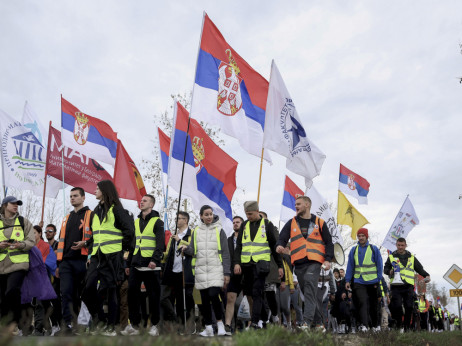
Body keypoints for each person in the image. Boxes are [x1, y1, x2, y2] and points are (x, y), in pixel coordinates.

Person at [81, 180, 134, 336]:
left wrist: (121, 249)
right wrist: (87, 244)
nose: (95, 190)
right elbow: (97, 235)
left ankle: (110, 327)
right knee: (87, 290)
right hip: (97, 256)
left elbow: (130, 232)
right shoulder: (95, 211)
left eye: (97, 188)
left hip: (113, 257)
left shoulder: (117, 210)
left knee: (111, 292)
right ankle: (101, 322)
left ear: (105, 191)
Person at [276, 196, 333, 329]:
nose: (296, 206)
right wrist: (279, 245)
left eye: (299, 204)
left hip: (315, 262)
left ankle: (306, 323)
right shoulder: (292, 222)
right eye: (296, 204)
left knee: (309, 283)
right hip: (299, 263)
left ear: (307, 205)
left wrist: (328, 259)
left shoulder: (320, 222)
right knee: (309, 293)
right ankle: (319, 324)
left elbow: (329, 243)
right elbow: (282, 238)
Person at [180, 205, 231, 337]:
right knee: (204, 298)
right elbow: (193, 249)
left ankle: (220, 325)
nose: (209, 217)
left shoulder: (220, 230)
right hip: (200, 269)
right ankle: (208, 328)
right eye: (206, 214)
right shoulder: (196, 231)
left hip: (216, 268)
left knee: (214, 295)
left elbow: (225, 253)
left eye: (211, 214)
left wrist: (226, 273)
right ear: (201, 216)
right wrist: (185, 249)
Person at [234, 201, 283, 329]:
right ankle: (264, 320)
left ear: (257, 211)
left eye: (250, 214)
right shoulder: (244, 225)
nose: (248, 216)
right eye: (246, 214)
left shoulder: (267, 225)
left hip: (261, 265)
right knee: (251, 294)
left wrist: (280, 266)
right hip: (246, 266)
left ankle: (255, 323)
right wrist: (237, 263)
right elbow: (239, 246)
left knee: (257, 292)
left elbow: (274, 247)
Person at [122, 194, 165, 336]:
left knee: (153, 295)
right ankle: (134, 325)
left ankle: (154, 325)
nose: (141, 202)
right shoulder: (136, 221)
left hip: (150, 263)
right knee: (132, 293)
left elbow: (160, 243)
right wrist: (128, 264)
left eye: (145, 201)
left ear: (151, 205)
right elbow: (132, 244)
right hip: (136, 262)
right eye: (141, 201)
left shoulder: (157, 222)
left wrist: (155, 259)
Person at [55, 187, 93, 334]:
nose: (72, 198)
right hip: (66, 262)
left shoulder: (91, 215)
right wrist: (59, 263)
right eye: (70, 196)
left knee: (82, 295)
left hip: (83, 260)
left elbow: (97, 236)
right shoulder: (66, 217)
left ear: (83, 198)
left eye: (75, 196)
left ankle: (83, 324)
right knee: (65, 292)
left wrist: (85, 243)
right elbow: (61, 242)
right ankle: (67, 324)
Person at [0, 196, 35, 335]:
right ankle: (7, 327)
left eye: (17, 204)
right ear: (4, 205)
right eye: (12, 204)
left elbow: (31, 241)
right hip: (1, 266)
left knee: (12, 291)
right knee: (2, 298)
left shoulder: (23, 221)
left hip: (19, 265)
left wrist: (21, 245)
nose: (16, 206)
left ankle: (15, 323)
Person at [384, 237, 430, 332]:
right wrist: (390, 271)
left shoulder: (411, 257)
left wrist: (426, 275)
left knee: (409, 306)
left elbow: (419, 268)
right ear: (396, 245)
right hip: (396, 286)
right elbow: (385, 269)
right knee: (397, 306)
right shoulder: (391, 257)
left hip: (408, 286)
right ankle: (399, 325)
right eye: (399, 245)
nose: (400, 247)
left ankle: (407, 328)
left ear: (405, 246)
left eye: (402, 245)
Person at [161, 211, 195, 334]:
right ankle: (174, 323)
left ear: (185, 220)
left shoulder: (192, 234)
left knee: (184, 300)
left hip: (185, 271)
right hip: (172, 271)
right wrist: (160, 256)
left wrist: (180, 240)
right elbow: (169, 253)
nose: (176, 220)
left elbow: (192, 250)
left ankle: (187, 326)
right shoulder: (173, 236)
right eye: (176, 218)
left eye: (178, 218)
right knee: (166, 298)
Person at [345, 228, 383, 332]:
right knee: (362, 302)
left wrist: (378, 278)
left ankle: (375, 326)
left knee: (373, 304)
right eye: (359, 236)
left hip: (373, 281)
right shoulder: (354, 250)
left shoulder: (374, 249)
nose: (361, 238)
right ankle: (364, 325)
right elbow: (350, 266)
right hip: (359, 281)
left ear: (367, 237)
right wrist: (347, 280)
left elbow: (379, 265)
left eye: (363, 236)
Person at [31, 225, 58, 335]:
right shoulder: (29, 246)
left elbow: (50, 262)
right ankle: (48, 326)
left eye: (35, 233)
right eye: (31, 233)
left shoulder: (45, 246)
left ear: (39, 234)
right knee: (41, 304)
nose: (33, 235)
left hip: (43, 279)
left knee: (42, 303)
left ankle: (40, 328)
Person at [224, 216, 244, 334]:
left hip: (246, 273)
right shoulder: (228, 240)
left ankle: (249, 324)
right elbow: (226, 258)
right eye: (234, 222)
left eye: (238, 222)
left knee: (247, 300)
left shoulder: (247, 238)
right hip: (232, 274)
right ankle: (228, 325)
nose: (235, 224)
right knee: (230, 299)